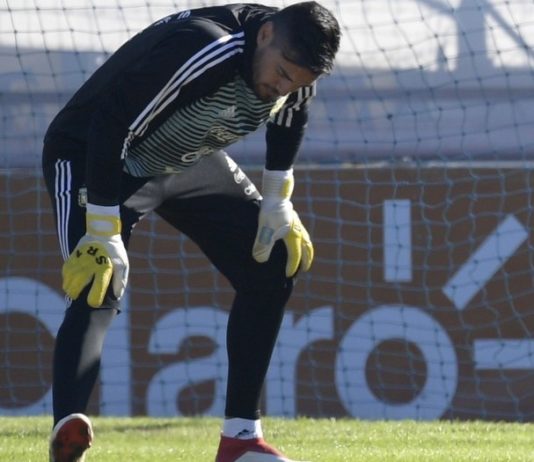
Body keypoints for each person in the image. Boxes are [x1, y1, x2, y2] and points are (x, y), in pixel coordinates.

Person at [42, 2, 340, 461]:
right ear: (264, 35)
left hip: (179, 157)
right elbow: (110, 122)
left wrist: (277, 199)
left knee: (273, 260)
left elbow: (290, 116)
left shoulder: (294, 69)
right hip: (94, 154)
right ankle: (68, 436)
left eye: (296, 82)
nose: (283, 88)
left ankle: (240, 440)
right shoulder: (206, 46)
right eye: (282, 74)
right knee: (98, 278)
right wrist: (102, 227)